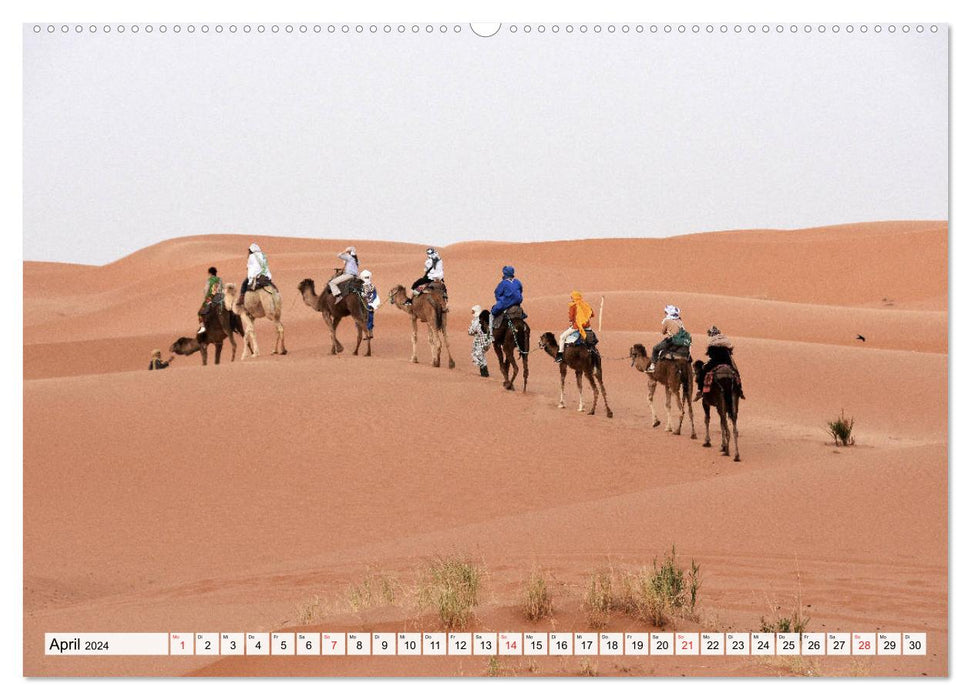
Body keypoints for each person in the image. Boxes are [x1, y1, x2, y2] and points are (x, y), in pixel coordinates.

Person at [695, 326, 746, 401]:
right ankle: (740, 391)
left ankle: (700, 391)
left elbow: (709, 353)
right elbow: (730, 349)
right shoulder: (724, 338)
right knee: (736, 372)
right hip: (727, 360)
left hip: (716, 360)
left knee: (703, 371)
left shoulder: (711, 340)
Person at [555, 290, 594, 364]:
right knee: (591, 338)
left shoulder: (573, 306)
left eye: (572, 297)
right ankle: (591, 349)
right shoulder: (586, 305)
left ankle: (559, 355)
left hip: (577, 326)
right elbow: (592, 314)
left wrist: (573, 321)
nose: (571, 298)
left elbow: (571, 317)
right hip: (587, 326)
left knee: (562, 337)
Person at [648, 304, 685, 372]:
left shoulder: (667, 321)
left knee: (655, 348)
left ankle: (653, 366)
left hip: (672, 340)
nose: (665, 313)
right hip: (682, 341)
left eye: (666, 312)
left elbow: (663, 332)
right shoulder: (679, 320)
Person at [237, 243, 273, 310]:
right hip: (266, 275)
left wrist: (250, 276)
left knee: (244, 284)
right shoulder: (263, 255)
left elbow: (250, 267)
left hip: (256, 275)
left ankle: (241, 299)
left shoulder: (252, 256)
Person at [197, 266, 223, 334]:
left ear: (210, 273)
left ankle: (203, 327)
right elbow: (222, 288)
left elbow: (206, 290)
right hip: (220, 298)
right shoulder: (220, 279)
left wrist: (206, 298)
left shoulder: (209, 280)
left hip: (211, 298)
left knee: (200, 312)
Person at [468, 304, 492, 377]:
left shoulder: (476, 321)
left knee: (476, 355)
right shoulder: (487, 319)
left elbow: (470, 331)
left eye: (473, 311)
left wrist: (473, 332)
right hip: (487, 341)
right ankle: (484, 370)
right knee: (481, 354)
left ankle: (483, 369)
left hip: (480, 342)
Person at [360, 269, 380, 338]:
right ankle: (365, 332)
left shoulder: (372, 286)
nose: (366, 279)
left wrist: (371, 301)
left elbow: (374, 294)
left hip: (369, 304)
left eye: (367, 277)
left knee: (370, 317)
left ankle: (370, 332)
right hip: (362, 304)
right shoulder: (360, 286)